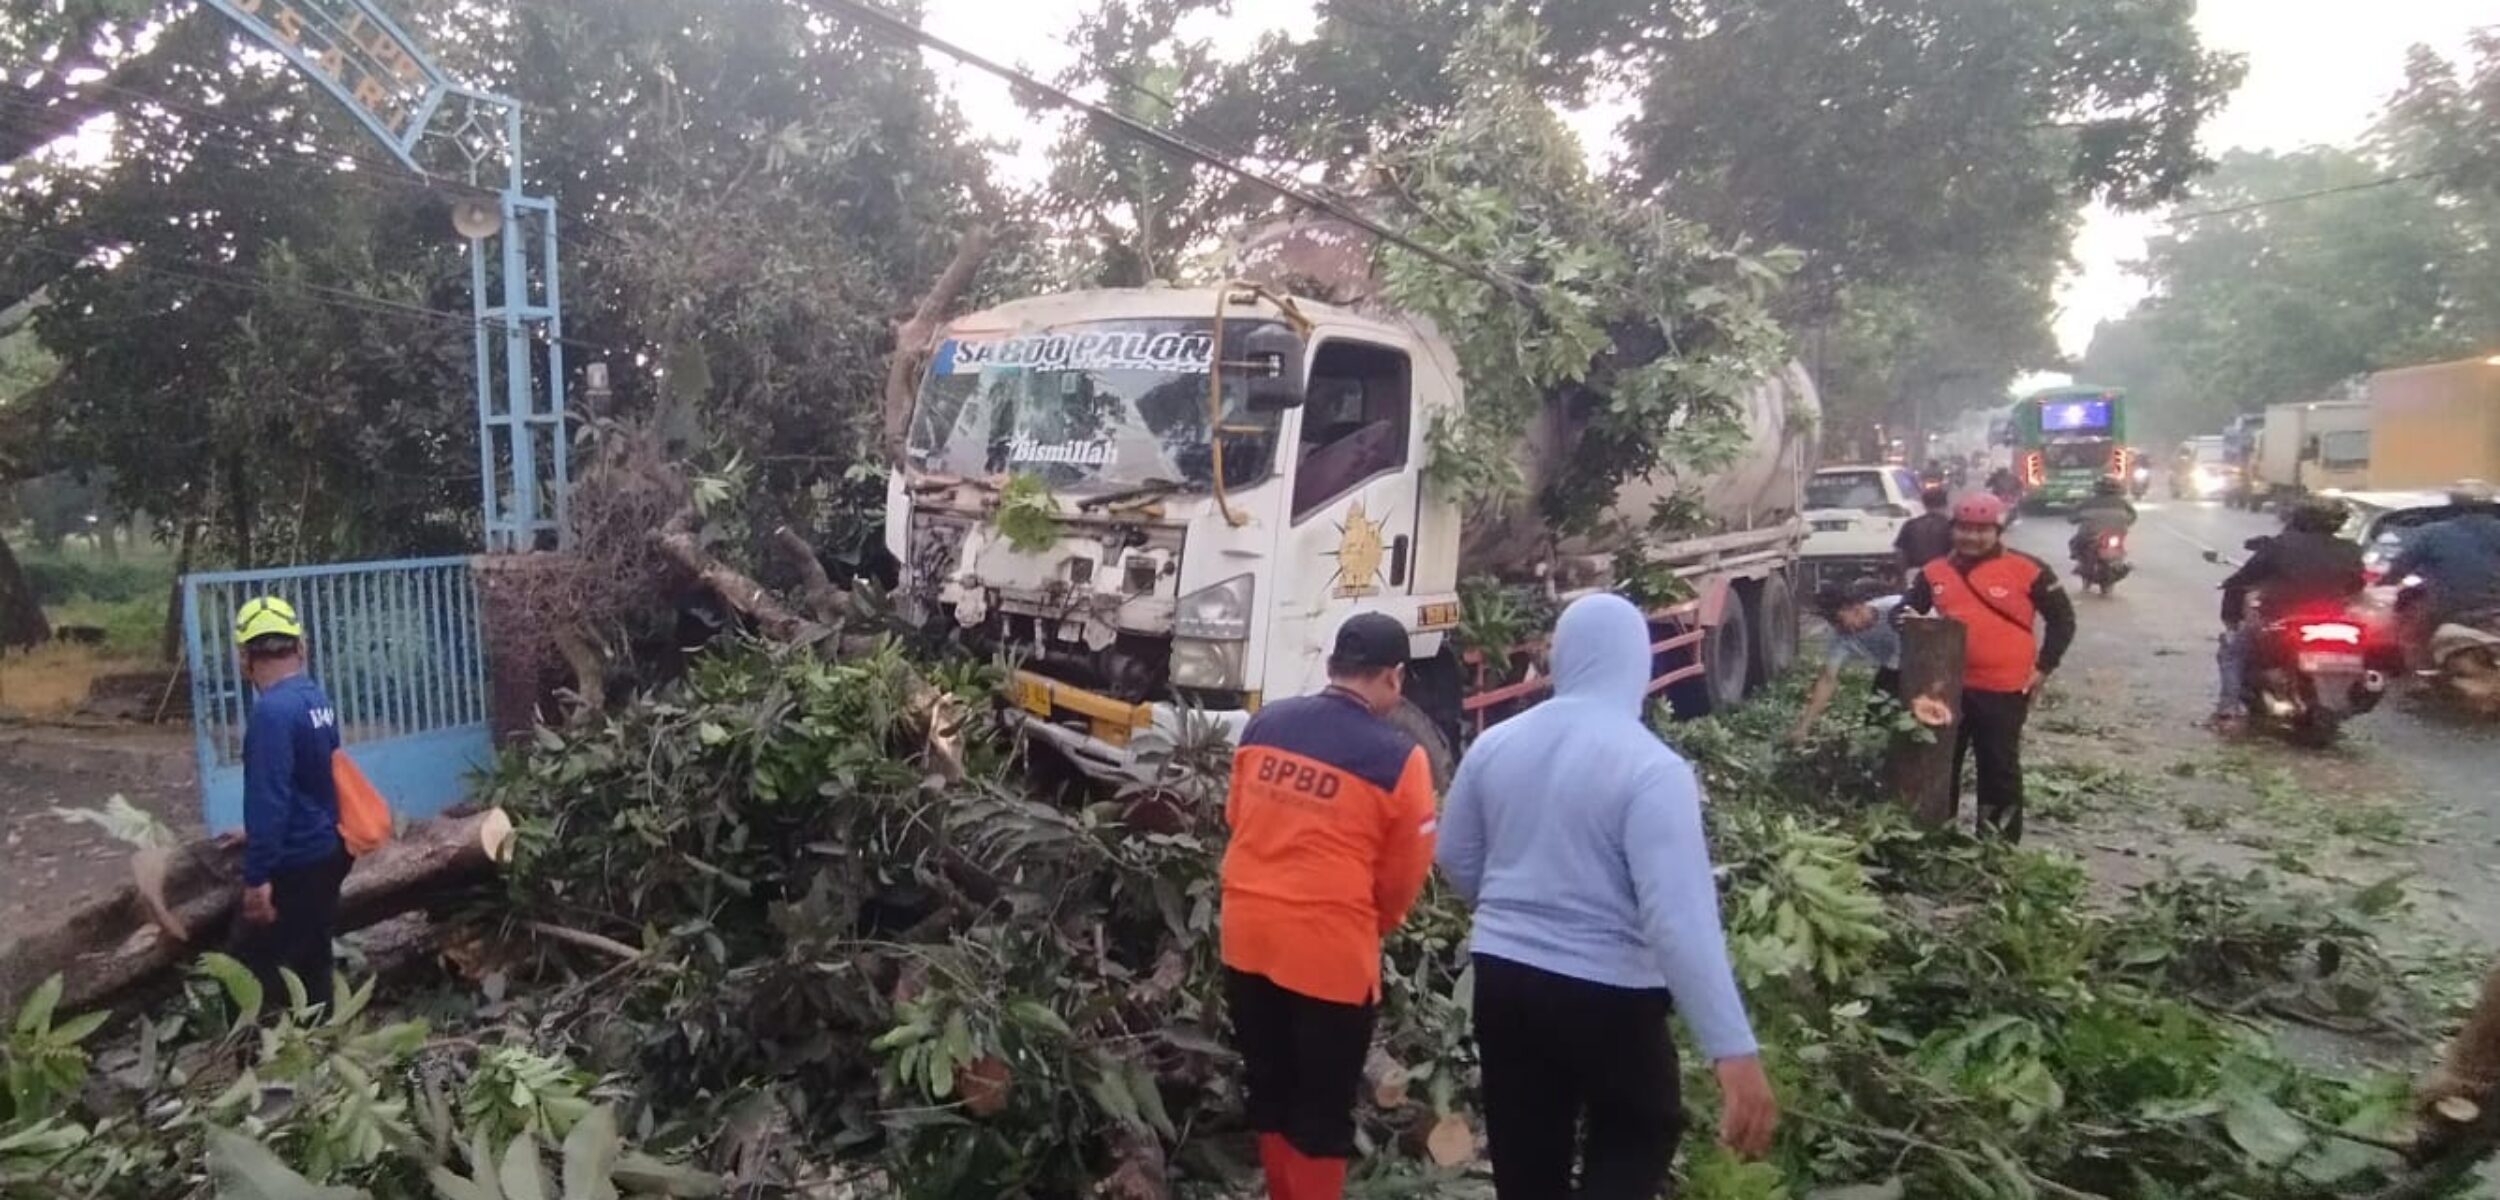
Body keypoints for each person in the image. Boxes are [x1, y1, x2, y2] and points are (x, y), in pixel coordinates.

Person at [1435, 594, 1776, 1199]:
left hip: (1504, 979)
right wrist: (1732, 1049)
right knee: (1638, 1132)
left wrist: (1514, 913)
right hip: (1609, 992)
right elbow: (1678, 920)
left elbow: (1455, 853)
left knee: (1527, 1155)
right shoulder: (1652, 769)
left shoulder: (1496, 745)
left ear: (1563, 657)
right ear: (1637, 664)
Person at [1220, 612, 1439, 1200]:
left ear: (1332, 666)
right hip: (1327, 957)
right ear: (1394, 679)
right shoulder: (1400, 760)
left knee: (1270, 1088)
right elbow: (1400, 880)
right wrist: (1369, 927)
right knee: (1322, 1110)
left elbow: (1238, 821)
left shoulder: (1264, 726)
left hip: (1246, 936)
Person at [1901, 495, 2075, 841]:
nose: (1972, 537)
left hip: (2004, 690)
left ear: (1998, 531)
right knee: (1940, 764)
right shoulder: (1933, 573)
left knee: (1998, 769)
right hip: (1946, 691)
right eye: (1965, 529)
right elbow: (1906, 614)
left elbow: (2062, 621)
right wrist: (1902, 620)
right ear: (1953, 531)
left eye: (1982, 530)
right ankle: (1937, 837)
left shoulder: (2029, 569)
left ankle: (1998, 846)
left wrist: (2044, 667)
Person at [228, 595, 349, 1015]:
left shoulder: (271, 714)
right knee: (313, 959)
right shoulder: (315, 700)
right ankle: (324, 1053)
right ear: (301, 646)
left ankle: (264, 1067)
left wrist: (258, 878)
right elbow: (318, 777)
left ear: (245, 658)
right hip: (327, 849)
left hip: (293, 863)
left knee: (247, 972)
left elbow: (271, 797)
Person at [2213, 497, 2367, 731]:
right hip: (2333, 620)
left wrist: (2229, 583)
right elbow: (2356, 584)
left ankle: (2227, 711)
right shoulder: (2350, 549)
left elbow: (2248, 575)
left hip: (2282, 620)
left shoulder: (2281, 544)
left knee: (2232, 652)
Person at [2383, 487, 2500, 664]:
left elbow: (2401, 566)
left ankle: (2421, 673)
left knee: (2411, 639)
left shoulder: (2433, 533)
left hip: (2444, 608)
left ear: (2454, 505)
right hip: (2493, 610)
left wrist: (2385, 582)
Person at [1791, 583, 1904, 744]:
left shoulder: (1895, 608)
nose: (1837, 627)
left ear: (1855, 608)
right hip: (1892, 669)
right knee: (1875, 723)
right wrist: (1804, 726)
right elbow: (1828, 679)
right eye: (1832, 623)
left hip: (1925, 661)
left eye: (1838, 620)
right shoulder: (1842, 637)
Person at [2067, 476, 2138, 566]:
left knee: (2075, 542)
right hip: (2117, 533)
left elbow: (2072, 518)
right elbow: (2133, 516)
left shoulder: (2088, 502)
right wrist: (2125, 523)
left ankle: (2082, 561)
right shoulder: (2122, 502)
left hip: (2091, 534)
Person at [1894, 486, 1954, 579]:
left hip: (1915, 573)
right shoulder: (1951, 526)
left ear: (1924, 504)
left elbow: (1900, 552)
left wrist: (1903, 574)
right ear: (1945, 504)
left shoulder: (1910, 525)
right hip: (1943, 574)